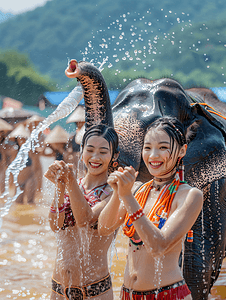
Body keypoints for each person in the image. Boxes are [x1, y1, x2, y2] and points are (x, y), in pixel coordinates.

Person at [98, 116, 203, 300]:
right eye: (147, 148)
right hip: (128, 294)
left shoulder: (190, 195)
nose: (153, 155)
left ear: (182, 151)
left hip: (168, 294)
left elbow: (158, 246)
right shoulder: (138, 189)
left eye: (163, 147)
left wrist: (127, 196)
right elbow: (104, 229)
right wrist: (117, 193)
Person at [44, 124, 119, 300]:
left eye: (103, 151)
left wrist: (69, 182)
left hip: (94, 291)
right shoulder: (73, 183)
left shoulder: (115, 192)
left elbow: (86, 219)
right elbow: (55, 225)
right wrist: (60, 185)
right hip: (59, 290)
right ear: (82, 150)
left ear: (114, 155)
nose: (95, 157)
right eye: (90, 149)